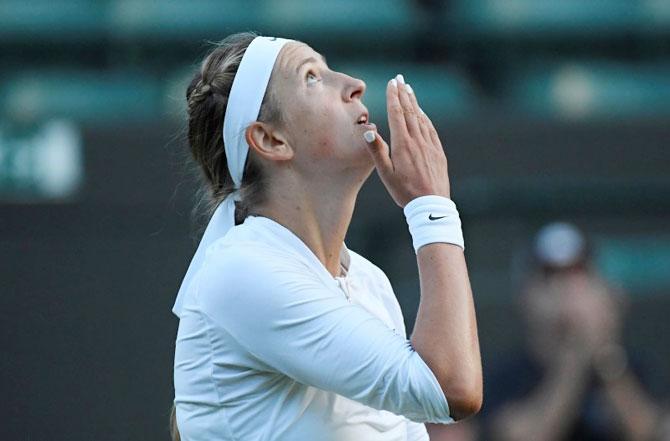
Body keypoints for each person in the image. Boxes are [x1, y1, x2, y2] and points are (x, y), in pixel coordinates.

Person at [170, 31, 482, 440]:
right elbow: (449, 389)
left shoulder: (369, 281)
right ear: (270, 139)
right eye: (312, 77)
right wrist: (431, 206)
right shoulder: (243, 268)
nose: (355, 85)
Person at [481, 222, 665, 441]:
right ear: (526, 295)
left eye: (578, 275)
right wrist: (575, 358)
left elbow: (651, 433)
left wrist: (605, 356)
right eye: (550, 278)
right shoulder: (504, 375)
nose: (566, 290)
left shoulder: (638, 367)